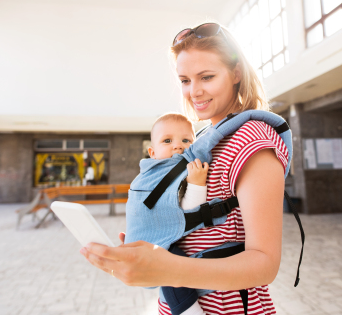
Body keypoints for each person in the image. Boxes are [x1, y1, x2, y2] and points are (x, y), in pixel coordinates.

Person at [80, 22, 287, 315]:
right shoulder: (201, 139)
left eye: (207, 77)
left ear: (237, 73)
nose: (194, 92)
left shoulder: (253, 140)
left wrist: (166, 268)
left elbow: (265, 264)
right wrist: (152, 238)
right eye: (185, 80)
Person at [144, 112, 210, 315]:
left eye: (186, 140)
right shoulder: (153, 176)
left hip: (166, 242)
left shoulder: (187, 170)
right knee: (171, 266)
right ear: (152, 152)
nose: (177, 145)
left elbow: (188, 214)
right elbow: (187, 212)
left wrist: (196, 182)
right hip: (157, 240)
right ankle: (188, 310)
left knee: (172, 267)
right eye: (167, 140)